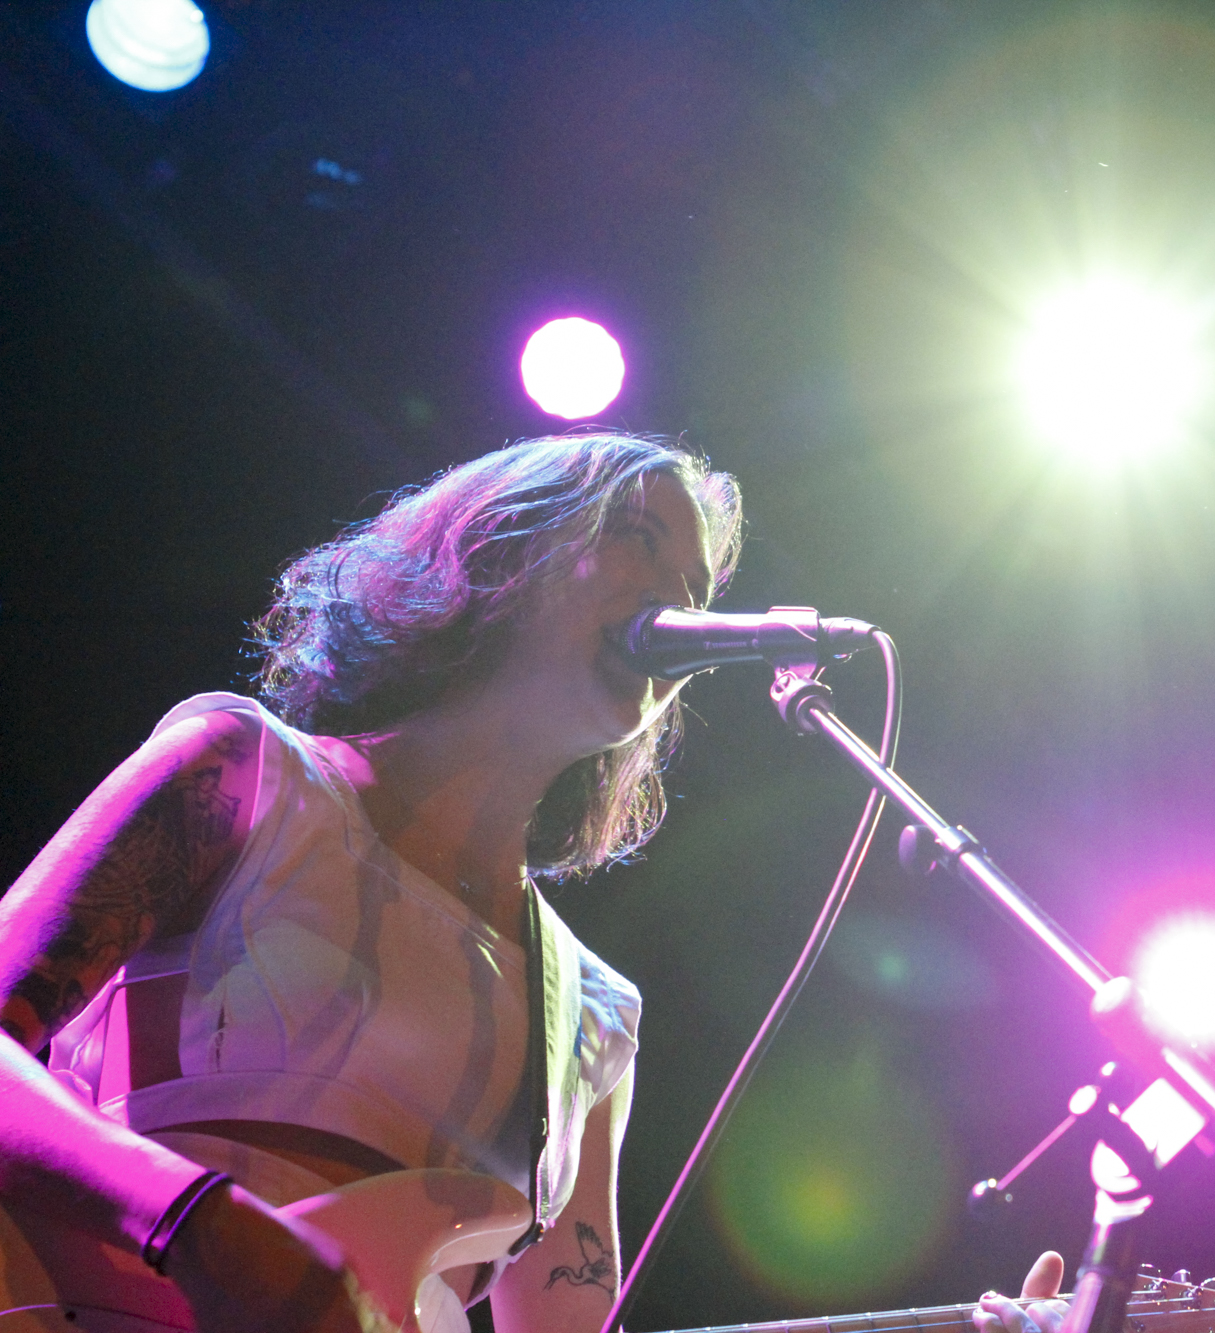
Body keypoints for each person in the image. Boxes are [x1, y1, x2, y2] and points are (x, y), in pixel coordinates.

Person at [0, 434, 1066, 1333]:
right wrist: (195, 1219)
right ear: (501, 550)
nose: (676, 603)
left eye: (696, 589)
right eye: (635, 538)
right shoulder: (246, 769)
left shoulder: (594, 1014)